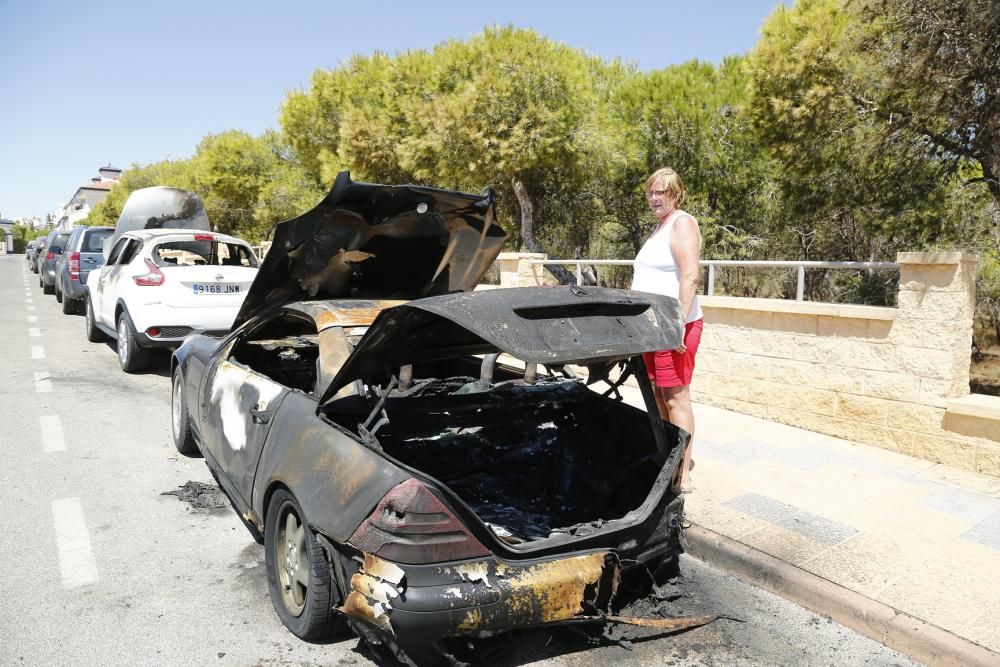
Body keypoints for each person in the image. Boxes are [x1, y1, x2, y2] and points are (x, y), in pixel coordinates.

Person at [631, 167, 703, 493]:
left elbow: (690, 276)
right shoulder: (660, 228)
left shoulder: (682, 223)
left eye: (662, 191)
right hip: (653, 327)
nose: (655, 197)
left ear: (676, 194)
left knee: (676, 398)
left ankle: (683, 473)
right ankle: (668, 459)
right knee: (659, 396)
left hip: (675, 326)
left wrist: (676, 325)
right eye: (651, 192)